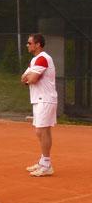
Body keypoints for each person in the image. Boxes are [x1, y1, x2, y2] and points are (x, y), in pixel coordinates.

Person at [22, 33, 57, 177]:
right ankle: (44, 161)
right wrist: (28, 79)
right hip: (38, 99)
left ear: (38, 45)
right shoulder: (34, 60)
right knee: (41, 131)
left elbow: (33, 79)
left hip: (45, 99)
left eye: (30, 43)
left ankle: (46, 165)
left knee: (42, 131)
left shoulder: (43, 59)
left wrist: (29, 78)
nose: (27, 45)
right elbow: (24, 78)